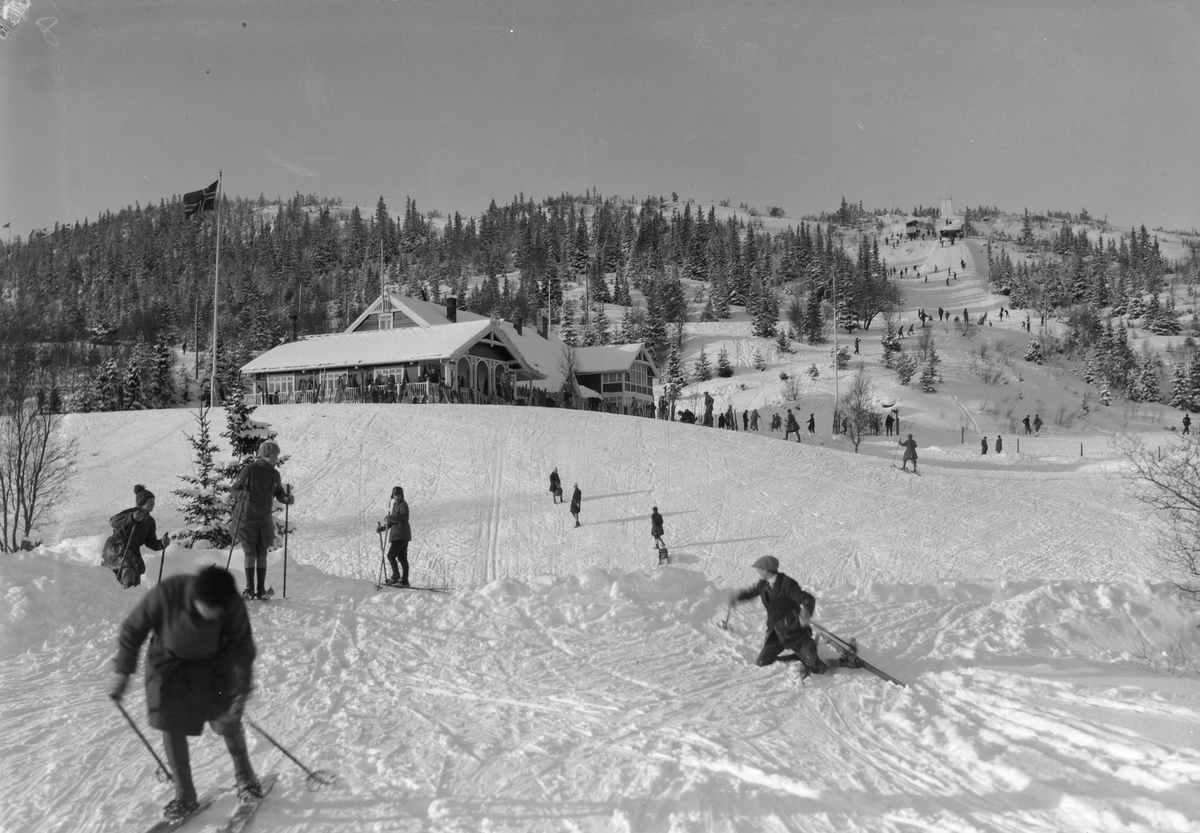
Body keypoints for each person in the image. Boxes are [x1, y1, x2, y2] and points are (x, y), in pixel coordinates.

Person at [110, 566, 260, 821]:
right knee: (171, 724)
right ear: (195, 598)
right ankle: (185, 794)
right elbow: (134, 628)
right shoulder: (169, 592)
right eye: (209, 608)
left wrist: (241, 693)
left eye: (218, 610)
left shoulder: (230, 602)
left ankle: (246, 779)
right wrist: (123, 672)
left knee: (226, 720)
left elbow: (243, 648)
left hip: (215, 666)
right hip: (169, 666)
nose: (214, 614)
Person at [728, 555, 858, 674]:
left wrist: (806, 611)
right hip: (776, 634)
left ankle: (843, 661)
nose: (757, 571)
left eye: (759, 569)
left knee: (817, 667)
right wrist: (738, 597)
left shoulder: (786, 584)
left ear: (766, 570)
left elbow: (807, 598)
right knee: (762, 662)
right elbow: (753, 591)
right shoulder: (763, 584)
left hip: (795, 632)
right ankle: (799, 656)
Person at [229, 440, 294, 601]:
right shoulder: (249, 470)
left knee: (262, 551)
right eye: (274, 455)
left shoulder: (274, 474)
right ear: (265, 454)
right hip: (247, 517)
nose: (276, 458)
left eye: (277, 455)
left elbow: (278, 491)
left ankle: (261, 589)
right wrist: (239, 495)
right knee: (250, 551)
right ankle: (249, 589)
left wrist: (285, 497)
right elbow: (234, 489)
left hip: (264, 518)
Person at [102, 485, 170, 588]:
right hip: (116, 547)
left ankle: (131, 596)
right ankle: (127, 592)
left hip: (132, 551)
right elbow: (113, 522)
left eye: (153, 502)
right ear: (142, 502)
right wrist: (131, 518)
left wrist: (161, 543)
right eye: (150, 502)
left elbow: (150, 542)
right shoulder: (130, 513)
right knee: (129, 566)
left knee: (136, 575)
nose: (153, 504)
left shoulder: (150, 522)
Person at [378, 486, 412, 586]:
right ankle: (404, 580)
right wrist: (383, 528)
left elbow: (404, 516)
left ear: (402, 495)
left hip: (401, 534)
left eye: (398, 495)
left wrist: (391, 518)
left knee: (391, 555)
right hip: (399, 535)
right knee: (402, 557)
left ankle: (396, 576)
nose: (396, 497)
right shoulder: (395, 506)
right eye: (395, 495)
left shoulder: (403, 505)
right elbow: (392, 522)